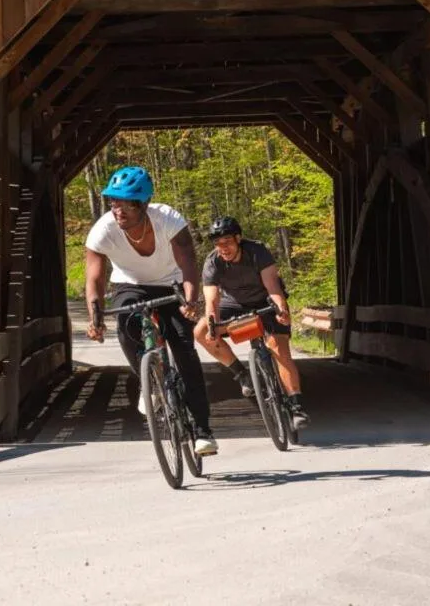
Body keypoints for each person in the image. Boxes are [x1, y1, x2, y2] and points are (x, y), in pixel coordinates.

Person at [84, 165, 218, 456]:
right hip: (129, 284)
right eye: (113, 202)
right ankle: (151, 383)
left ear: (143, 204)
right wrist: (95, 317)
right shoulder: (103, 230)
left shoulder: (168, 219)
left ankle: (203, 431)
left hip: (170, 284)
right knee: (126, 325)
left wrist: (190, 301)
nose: (117, 210)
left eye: (125, 204)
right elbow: (94, 278)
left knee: (185, 350)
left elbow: (188, 264)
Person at [194, 215, 308, 429]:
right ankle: (242, 374)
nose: (223, 248)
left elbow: (273, 287)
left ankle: (296, 406)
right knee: (200, 331)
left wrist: (281, 309)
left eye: (227, 242)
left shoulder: (257, 252)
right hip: (233, 304)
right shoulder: (212, 262)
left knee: (278, 347)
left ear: (238, 238)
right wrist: (211, 324)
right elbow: (212, 300)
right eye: (218, 244)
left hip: (264, 300)